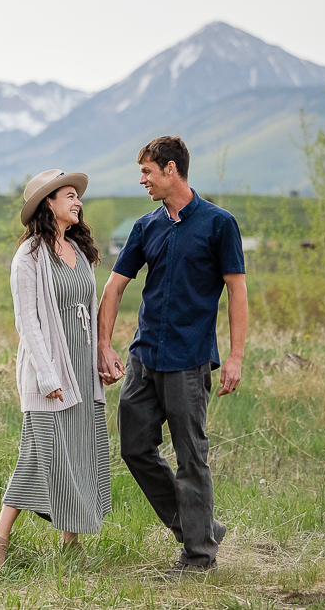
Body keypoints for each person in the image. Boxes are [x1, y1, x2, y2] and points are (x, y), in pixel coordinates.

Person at [97, 135, 247, 574]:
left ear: (171, 169)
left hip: (189, 358)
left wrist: (235, 356)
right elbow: (115, 286)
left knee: (190, 456)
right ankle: (198, 527)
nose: (142, 180)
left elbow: (237, 290)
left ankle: (199, 557)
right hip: (144, 357)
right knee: (134, 447)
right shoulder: (146, 227)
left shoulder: (219, 224)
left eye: (146, 171)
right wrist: (104, 345)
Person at [0, 169, 111, 568]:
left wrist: (103, 354)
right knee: (40, 452)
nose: (77, 202)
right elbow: (27, 321)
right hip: (48, 373)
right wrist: (48, 374)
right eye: (68, 195)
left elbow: (90, 310)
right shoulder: (30, 255)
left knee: (76, 451)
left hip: (83, 371)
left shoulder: (80, 253)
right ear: (47, 203)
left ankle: (71, 546)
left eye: (77, 196)